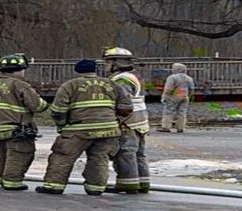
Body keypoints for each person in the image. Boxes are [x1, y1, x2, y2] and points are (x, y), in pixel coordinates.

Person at [36, 58, 133, 195]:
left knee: (63, 156)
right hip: (108, 130)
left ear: (76, 71)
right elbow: (127, 107)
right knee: (99, 158)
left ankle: (54, 186)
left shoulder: (70, 85)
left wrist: (62, 125)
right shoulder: (112, 84)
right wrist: (115, 120)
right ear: (94, 70)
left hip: (78, 130)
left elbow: (58, 110)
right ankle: (95, 188)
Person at [0, 54, 48, 191]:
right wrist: (43, 102)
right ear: (18, 70)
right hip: (17, 129)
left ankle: (2, 178)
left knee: (2, 155)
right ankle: (12, 181)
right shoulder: (20, 85)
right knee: (21, 154)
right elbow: (37, 106)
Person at [103, 46, 150, 193]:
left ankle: (128, 184)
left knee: (125, 153)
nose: (105, 65)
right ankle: (143, 183)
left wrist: (115, 119)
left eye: (107, 62)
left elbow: (122, 102)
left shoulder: (121, 80)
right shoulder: (133, 76)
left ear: (117, 63)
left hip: (127, 121)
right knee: (138, 154)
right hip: (139, 121)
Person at [161, 62, 195, 133]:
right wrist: (189, 96)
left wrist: (165, 97)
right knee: (182, 112)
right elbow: (192, 89)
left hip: (173, 96)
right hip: (184, 96)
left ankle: (166, 127)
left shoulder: (172, 77)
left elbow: (168, 89)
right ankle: (180, 127)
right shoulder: (189, 78)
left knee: (168, 111)